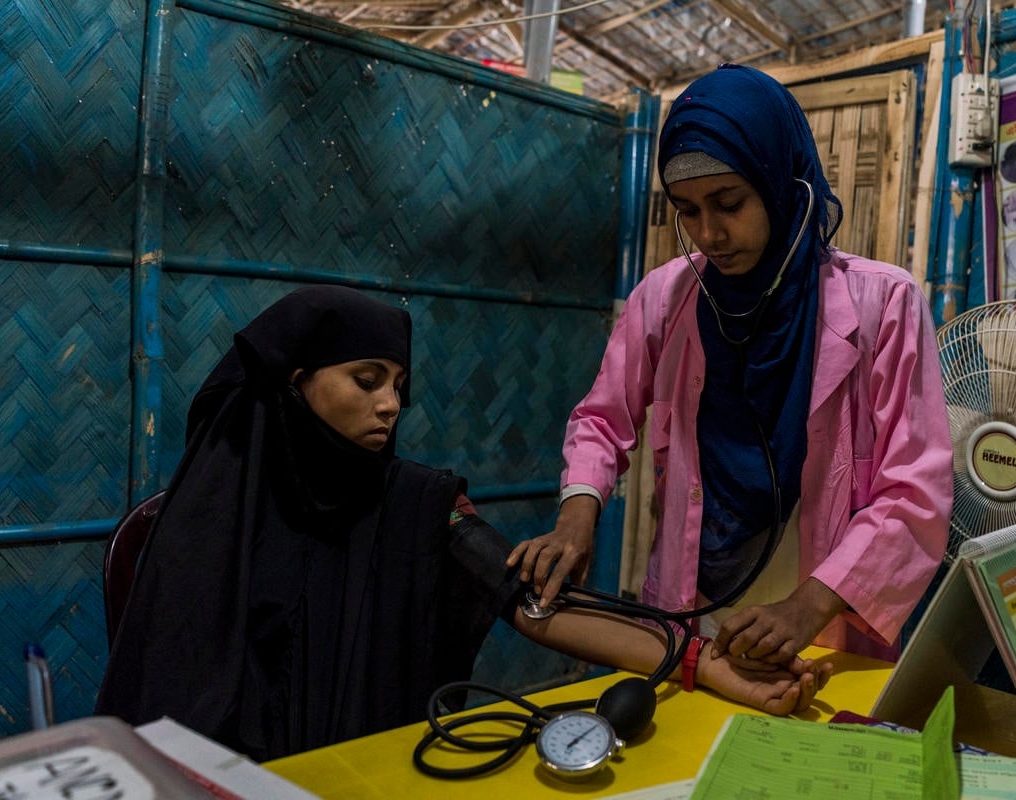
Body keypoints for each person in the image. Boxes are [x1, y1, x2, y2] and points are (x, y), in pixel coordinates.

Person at [95, 284, 829, 762]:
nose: (391, 405)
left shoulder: (419, 502)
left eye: (400, 386)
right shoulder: (211, 518)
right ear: (297, 382)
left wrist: (705, 664)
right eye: (367, 380)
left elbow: (532, 603)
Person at [508, 64, 953, 667]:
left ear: (781, 182)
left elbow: (915, 490)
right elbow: (601, 419)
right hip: (693, 608)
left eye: (729, 202)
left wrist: (807, 607)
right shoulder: (665, 300)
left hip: (826, 619)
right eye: (687, 211)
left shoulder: (885, 305)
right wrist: (576, 514)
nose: (710, 233)